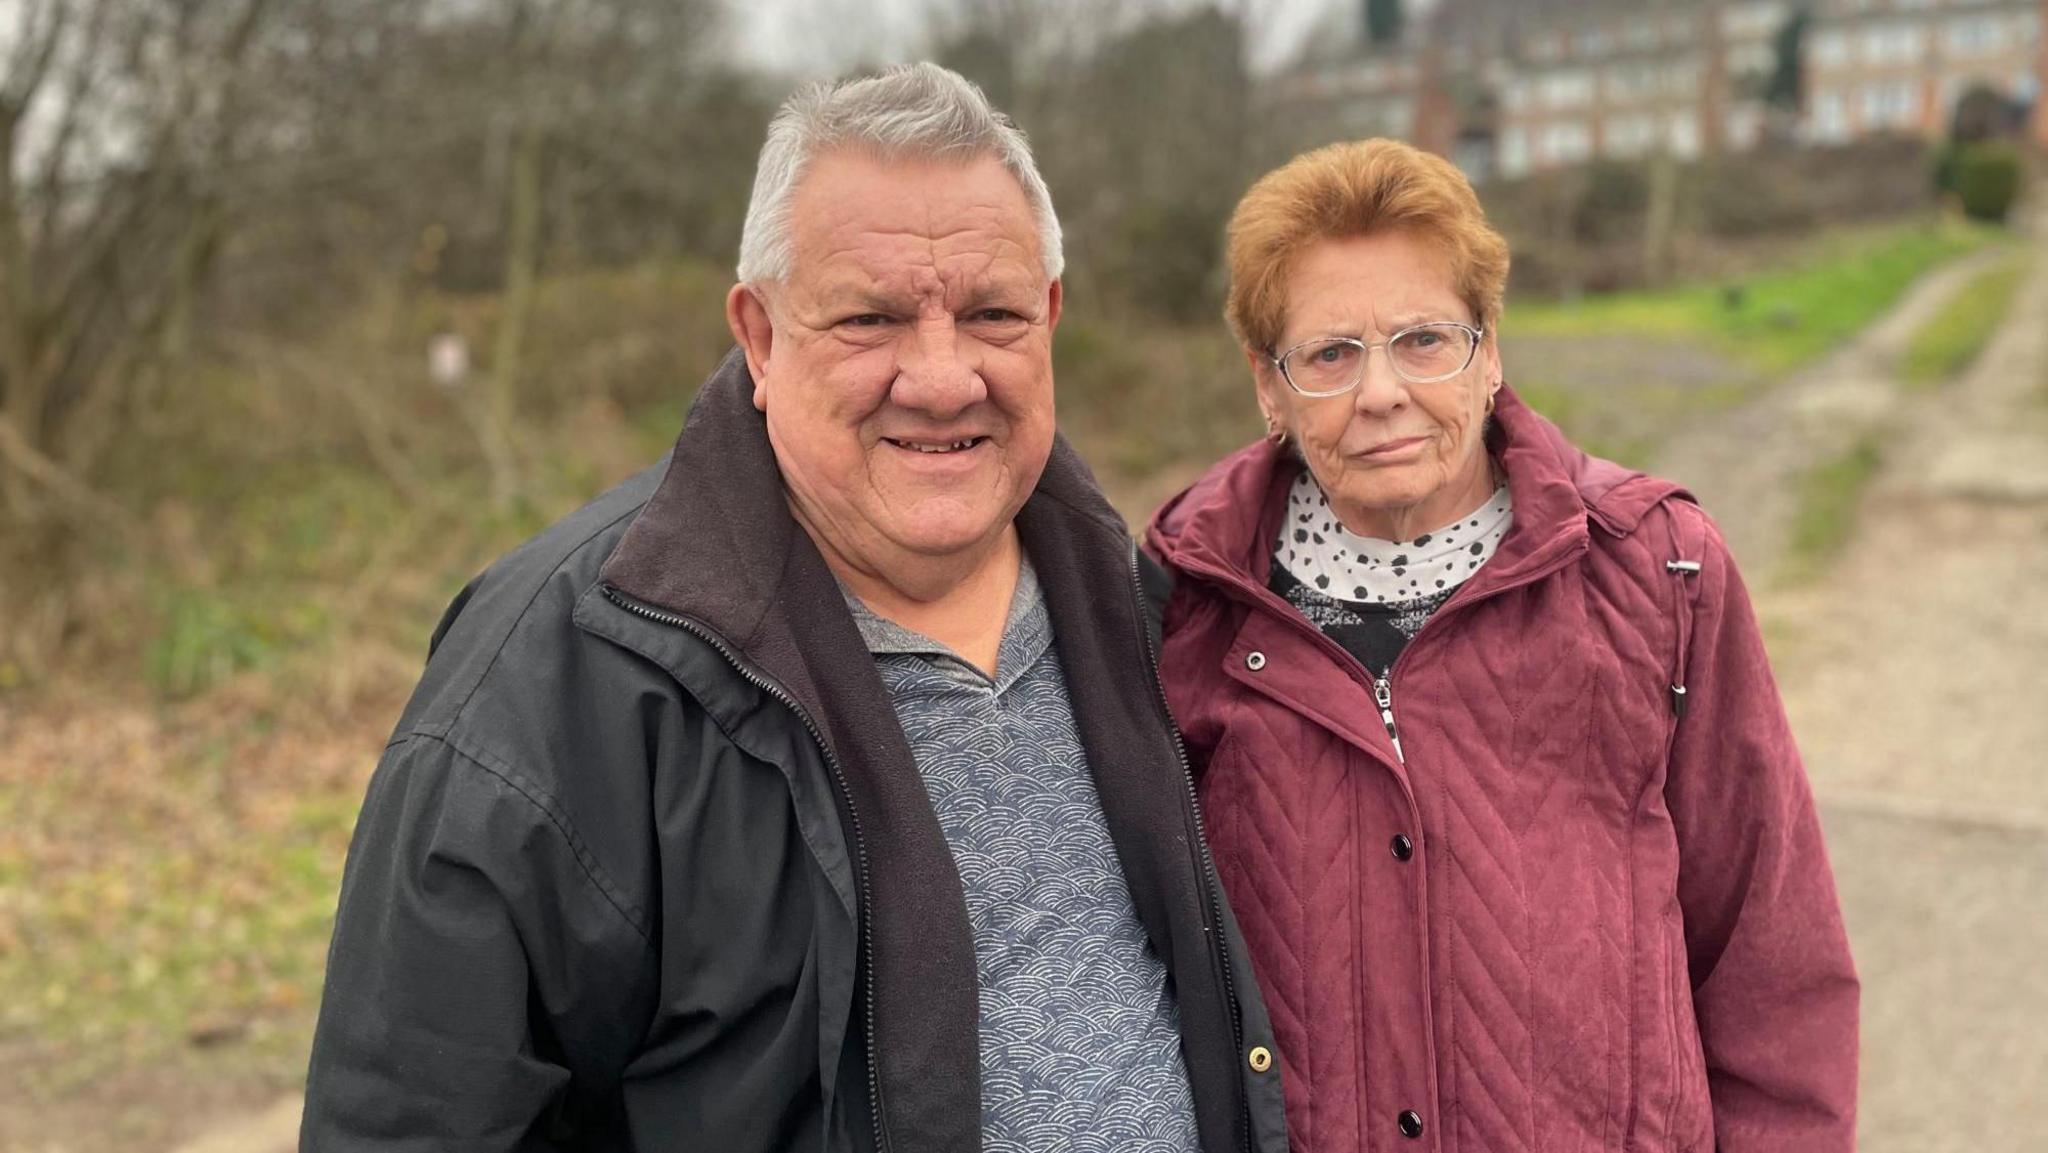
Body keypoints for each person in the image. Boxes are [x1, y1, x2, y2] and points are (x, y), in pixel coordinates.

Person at [302, 64, 1286, 1153]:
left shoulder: (1149, 604)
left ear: (1048, 318)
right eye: (869, 318)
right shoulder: (556, 685)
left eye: (991, 313)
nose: (942, 375)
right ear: (759, 337)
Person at [1143, 138, 1858, 1153]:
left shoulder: (1661, 568)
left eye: (1423, 339)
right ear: (1269, 386)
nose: (1380, 391)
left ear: (1488, 351)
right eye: (1329, 353)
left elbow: (1771, 960)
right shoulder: (1185, 602)